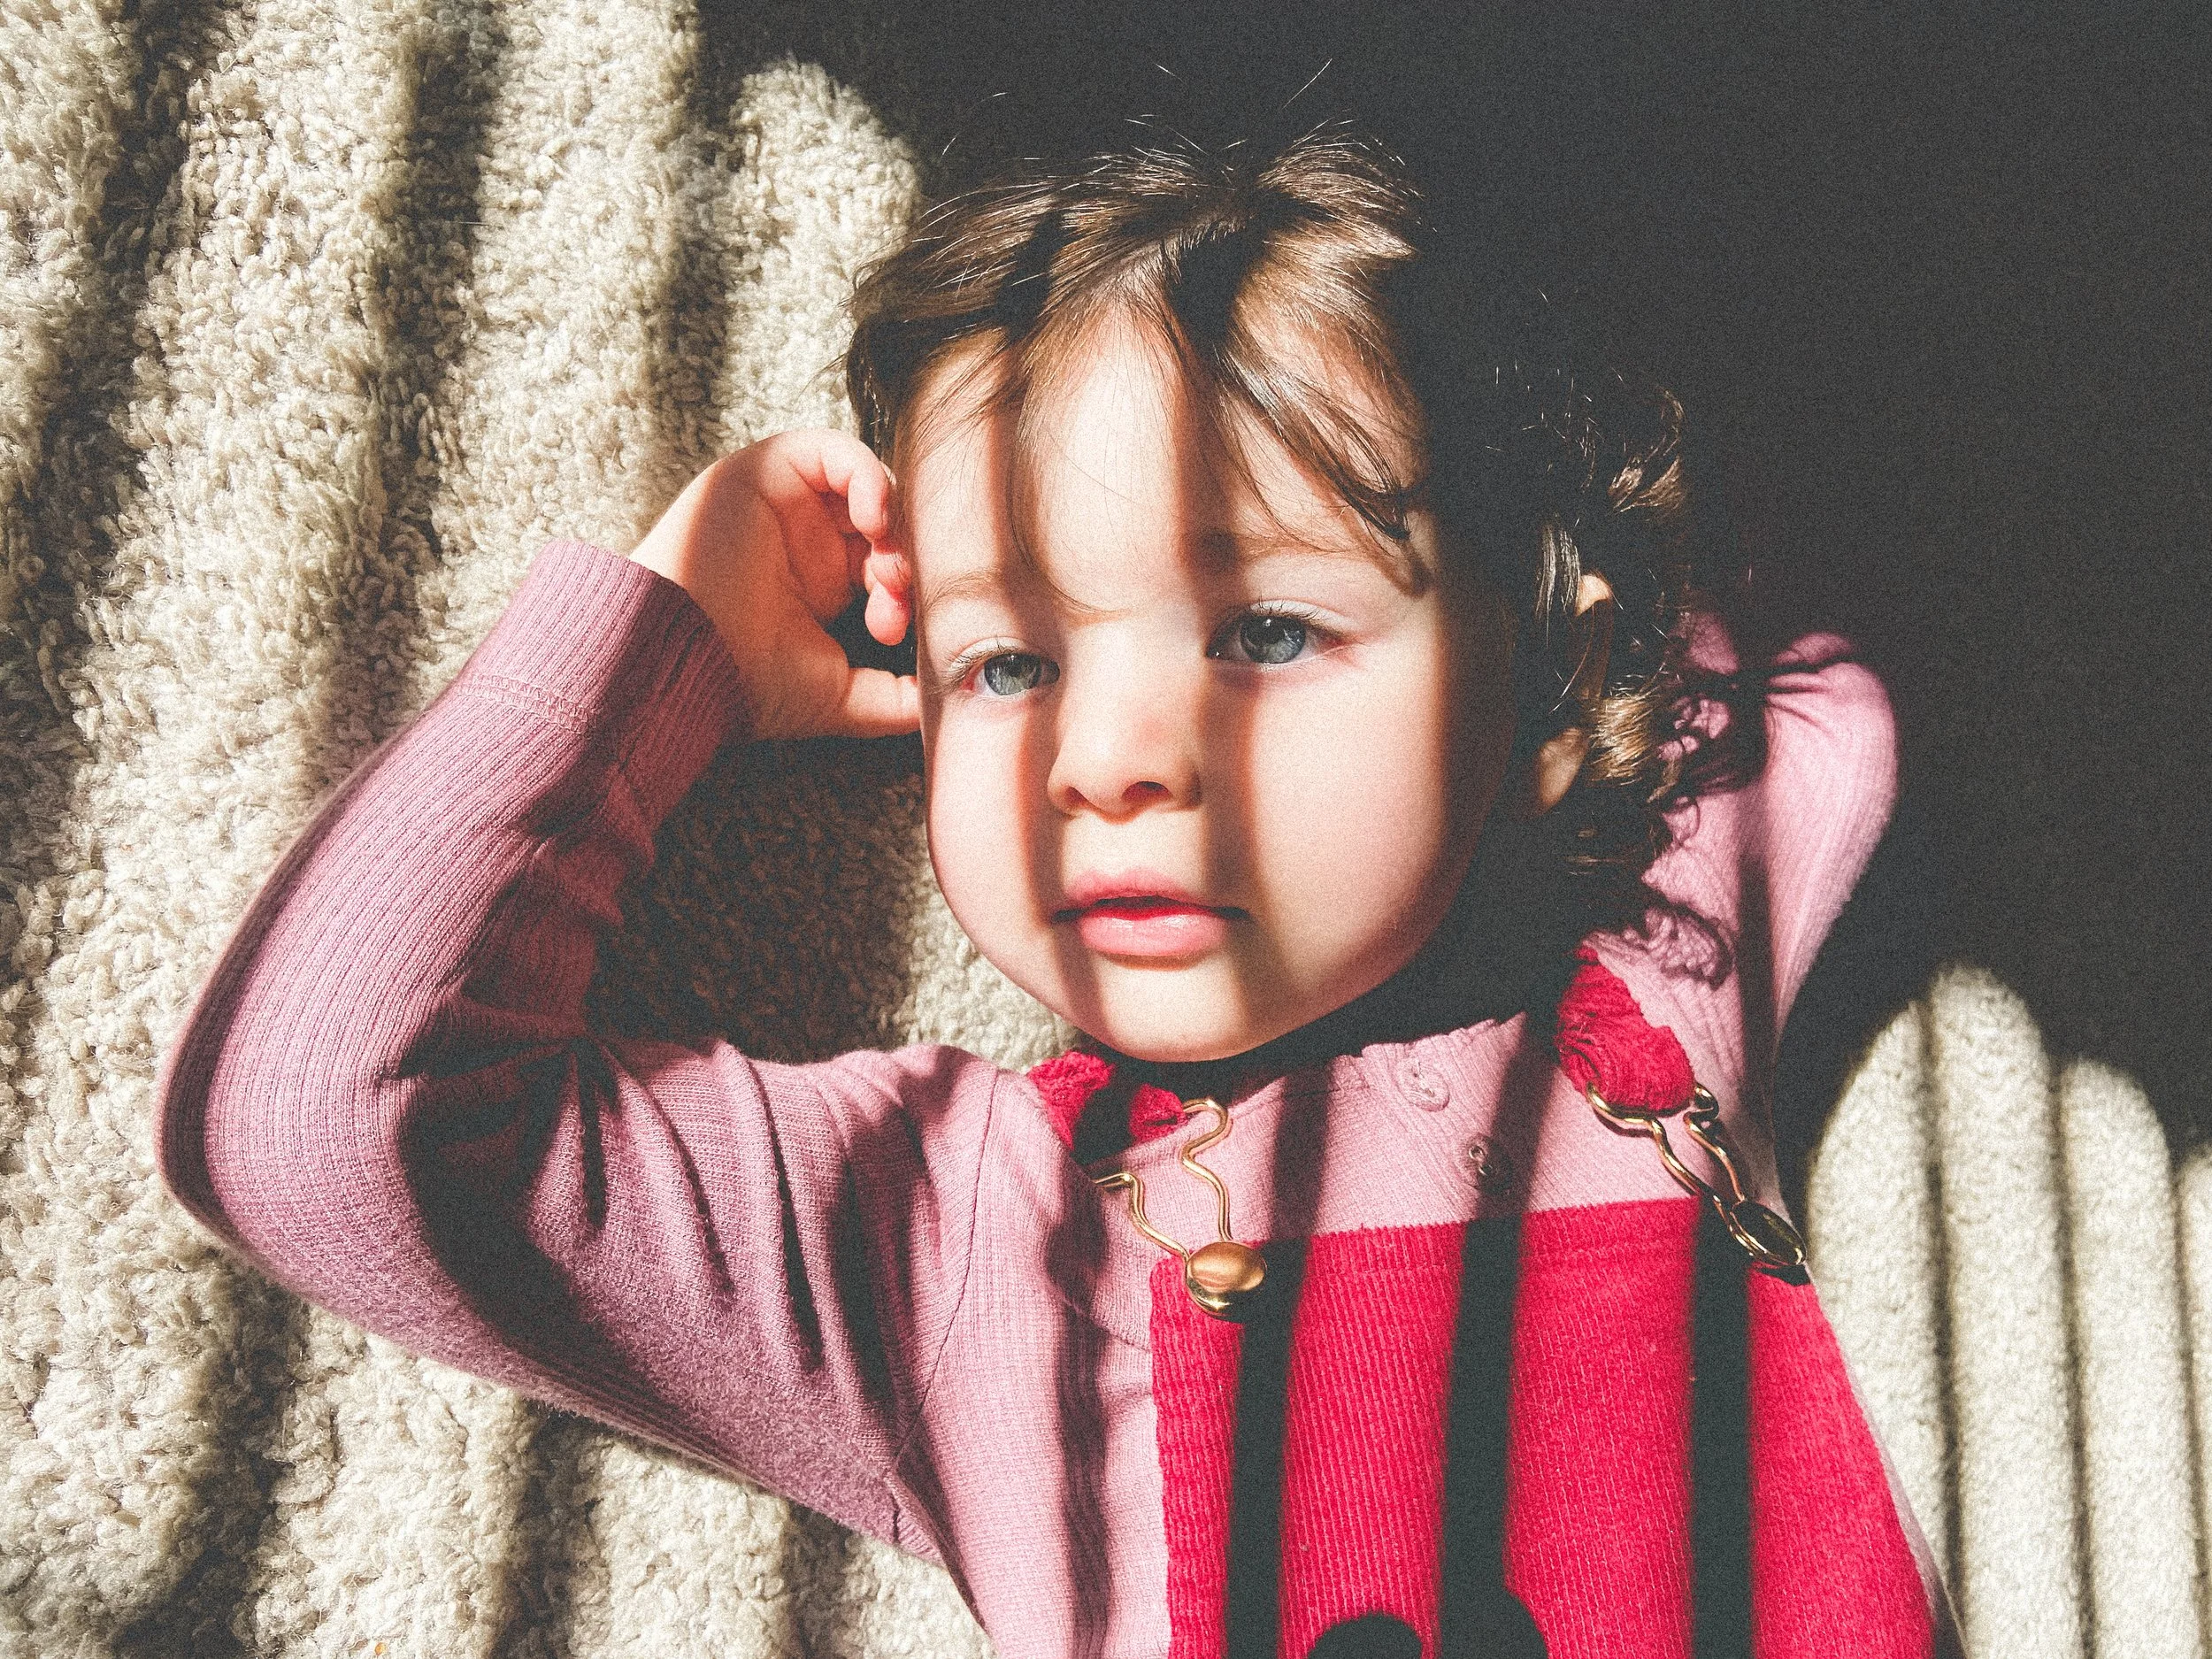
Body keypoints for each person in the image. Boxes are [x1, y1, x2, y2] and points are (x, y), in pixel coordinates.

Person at [157, 126, 1955, 1657]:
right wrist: (672, 647)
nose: (1111, 756)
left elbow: (1815, 626)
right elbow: (322, 1117)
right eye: (1005, 662)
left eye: (1262, 627)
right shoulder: (953, 1229)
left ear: (1549, 696)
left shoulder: (1659, 966)